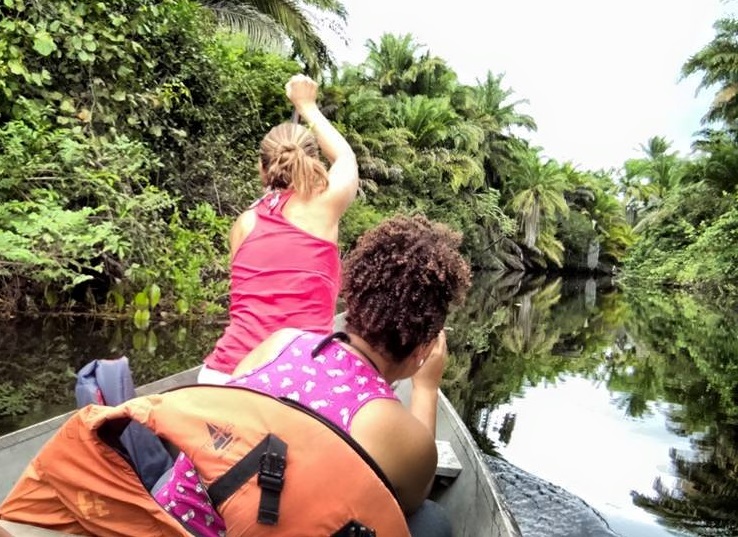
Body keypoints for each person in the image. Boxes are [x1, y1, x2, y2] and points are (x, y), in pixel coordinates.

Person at [153, 214, 472, 536]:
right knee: (431, 521)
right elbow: (412, 498)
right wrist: (426, 388)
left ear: (354, 298)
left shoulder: (281, 342)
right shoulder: (393, 428)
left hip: (164, 523)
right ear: (424, 347)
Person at [198, 73, 359, 384]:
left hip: (221, 375)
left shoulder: (245, 222)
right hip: (293, 379)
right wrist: (307, 105)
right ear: (313, 163)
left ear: (262, 168)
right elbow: (345, 156)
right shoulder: (324, 204)